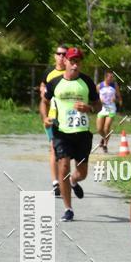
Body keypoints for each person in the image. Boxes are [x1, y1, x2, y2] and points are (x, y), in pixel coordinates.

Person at [40, 47, 101, 222]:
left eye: (78, 62)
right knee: (64, 167)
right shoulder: (55, 83)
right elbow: (44, 102)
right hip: (61, 132)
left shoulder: (87, 82)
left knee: (82, 172)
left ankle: (74, 182)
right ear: (65, 61)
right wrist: (45, 118)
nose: (75, 65)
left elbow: (99, 106)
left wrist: (89, 108)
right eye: (72, 61)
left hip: (82, 134)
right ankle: (68, 209)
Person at [39, 44, 68, 196]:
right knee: (53, 148)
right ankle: (56, 183)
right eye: (59, 54)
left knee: (66, 151)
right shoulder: (49, 73)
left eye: (64, 54)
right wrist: (45, 117)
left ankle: (66, 180)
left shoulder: (71, 73)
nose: (62, 57)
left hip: (68, 119)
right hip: (53, 116)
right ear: (55, 56)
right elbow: (43, 93)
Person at [96, 70, 122, 153]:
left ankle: (105, 145)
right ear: (105, 77)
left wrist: (117, 100)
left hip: (111, 108)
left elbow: (119, 97)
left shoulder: (114, 85)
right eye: (110, 77)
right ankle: (104, 138)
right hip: (102, 109)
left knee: (106, 128)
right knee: (99, 129)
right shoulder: (99, 86)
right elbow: (95, 98)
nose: (112, 79)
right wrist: (99, 100)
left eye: (112, 77)